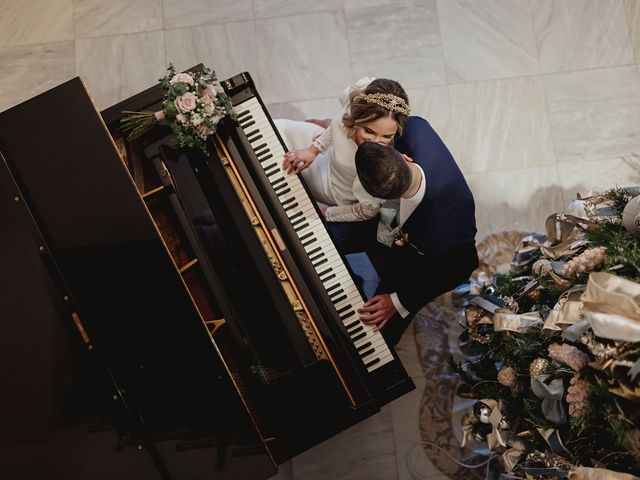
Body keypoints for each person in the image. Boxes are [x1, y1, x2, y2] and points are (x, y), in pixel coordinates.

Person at [344, 117, 478, 346]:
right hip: (380, 225)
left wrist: (397, 301)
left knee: (373, 337)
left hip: (410, 266)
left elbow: (463, 266)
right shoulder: (413, 129)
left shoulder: (449, 232)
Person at [275, 78, 410, 223]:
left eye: (387, 136)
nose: (376, 142)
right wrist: (313, 150)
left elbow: (368, 209)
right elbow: (339, 124)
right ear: (357, 118)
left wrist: (325, 213)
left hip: (331, 188)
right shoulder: (356, 106)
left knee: (281, 186)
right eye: (369, 131)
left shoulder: (384, 165)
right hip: (326, 155)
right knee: (278, 128)